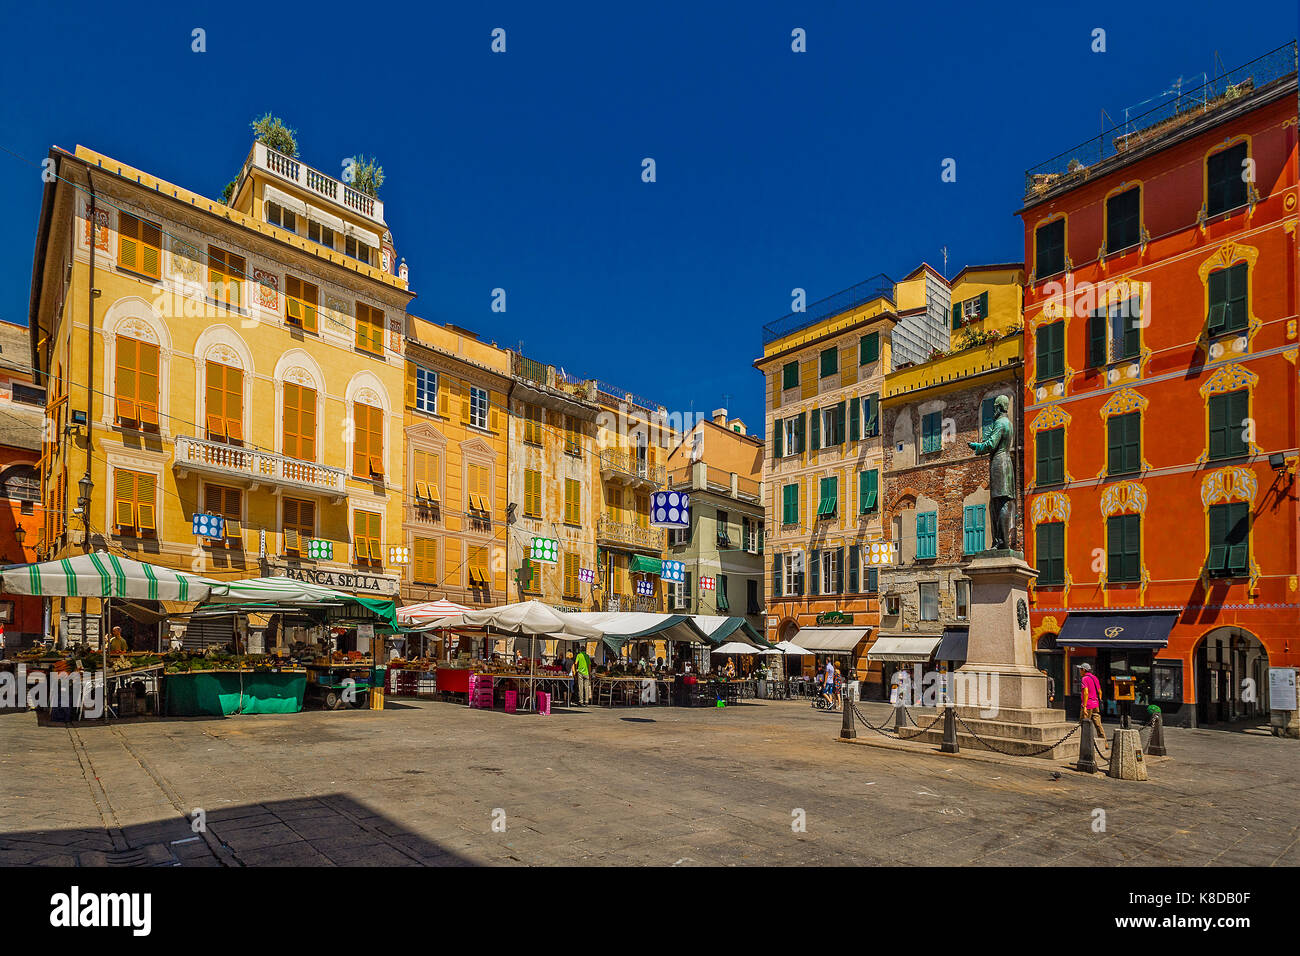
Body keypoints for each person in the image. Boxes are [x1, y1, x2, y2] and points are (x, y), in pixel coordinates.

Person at [1079, 663, 1107, 754]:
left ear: (1084, 670)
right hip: (1096, 704)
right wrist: (1098, 700)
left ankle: (1084, 744)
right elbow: (1100, 691)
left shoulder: (1084, 679)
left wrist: (1085, 706)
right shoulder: (1095, 678)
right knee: (1098, 724)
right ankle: (1104, 742)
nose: (1079, 671)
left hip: (1088, 704)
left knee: (1084, 724)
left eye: (1080, 669)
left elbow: (1086, 692)